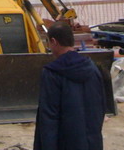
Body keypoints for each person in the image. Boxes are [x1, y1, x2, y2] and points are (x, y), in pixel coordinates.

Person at [33, 20, 108, 150]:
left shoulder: (52, 73)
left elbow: (49, 118)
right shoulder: (93, 69)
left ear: (54, 42)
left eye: (49, 43)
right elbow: (100, 109)